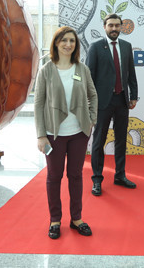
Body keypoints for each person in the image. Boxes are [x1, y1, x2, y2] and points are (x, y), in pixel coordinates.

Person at [34, 26, 98, 240]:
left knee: (76, 175)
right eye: (64, 40)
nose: (68, 44)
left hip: (79, 133)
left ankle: (76, 218)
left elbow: (93, 95)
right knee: (54, 176)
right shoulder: (46, 70)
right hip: (53, 134)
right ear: (56, 43)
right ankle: (55, 220)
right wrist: (41, 135)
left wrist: (91, 120)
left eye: (72, 41)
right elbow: (38, 104)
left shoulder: (82, 69)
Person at [86, 13, 138, 196]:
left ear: (121, 27)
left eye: (117, 25)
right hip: (102, 102)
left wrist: (134, 95)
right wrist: (90, 101)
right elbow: (89, 77)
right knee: (99, 141)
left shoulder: (126, 46)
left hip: (122, 100)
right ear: (105, 27)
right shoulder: (95, 47)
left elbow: (131, 73)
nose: (114, 28)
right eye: (111, 25)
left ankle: (120, 175)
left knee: (121, 140)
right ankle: (97, 179)